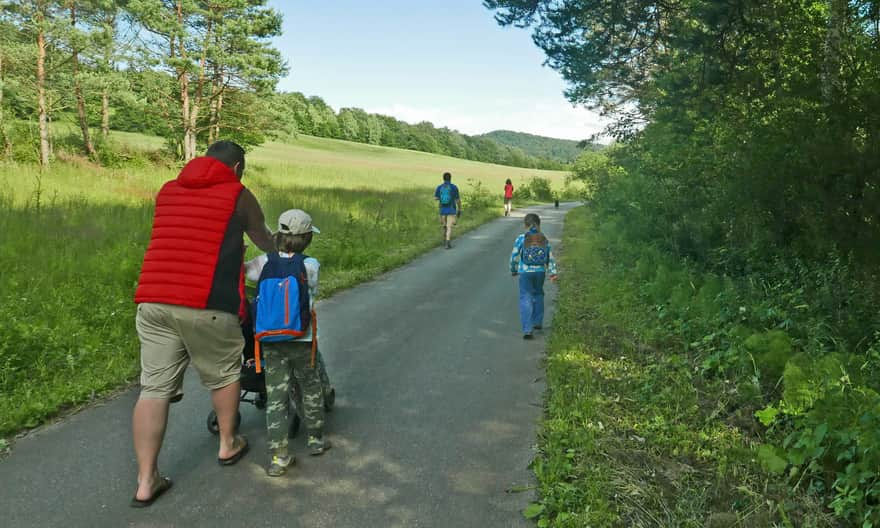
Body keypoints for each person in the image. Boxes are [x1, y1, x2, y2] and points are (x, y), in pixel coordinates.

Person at [131, 140, 275, 507]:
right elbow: (263, 240)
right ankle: (228, 444)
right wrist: (286, 256)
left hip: (154, 298)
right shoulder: (237, 194)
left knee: (154, 388)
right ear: (239, 167)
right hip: (207, 301)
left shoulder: (169, 189)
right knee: (225, 372)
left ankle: (146, 481)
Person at [245, 209, 330, 477]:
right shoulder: (311, 265)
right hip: (301, 338)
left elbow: (244, 272)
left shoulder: (262, 263)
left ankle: (279, 457)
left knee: (276, 398)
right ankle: (316, 439)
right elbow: (311, 290)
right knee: (310, 385)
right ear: (306, 238)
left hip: (270, 341)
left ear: (279, 235)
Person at [509, 213, 558, 339]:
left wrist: (513, 269)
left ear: (525, 225)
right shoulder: (543, 238)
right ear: (539, 224)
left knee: (526, 297)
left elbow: (514, 256)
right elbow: (550, 257)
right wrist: (552, 272)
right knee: (538, 294)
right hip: (540, 271)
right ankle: (537, 322)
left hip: (525, 272)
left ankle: (527, 329)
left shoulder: (521, 238)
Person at [434, 172, 461, 249]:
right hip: (451, 209)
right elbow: (458, 200)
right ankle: (447, 242)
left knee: (444, 226)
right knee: (449, 227)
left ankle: (444, 240)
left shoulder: (440, 187)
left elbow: (435, 198)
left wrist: (441, 198)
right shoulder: (454, 187)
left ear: (443, 178)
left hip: (442, 209)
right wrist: (459, 209)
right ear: (450, 178)